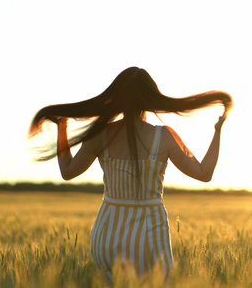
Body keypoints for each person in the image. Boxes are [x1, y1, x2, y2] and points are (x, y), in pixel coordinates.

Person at [28, 67, 232, 285]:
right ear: (151, 98)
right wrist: (218, 131)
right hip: (148, 236)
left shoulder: (101, 135)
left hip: (106, 236)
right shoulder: (163, 137)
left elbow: (68, 172)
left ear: (116, 98)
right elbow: (204, 173)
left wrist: (62, 128)